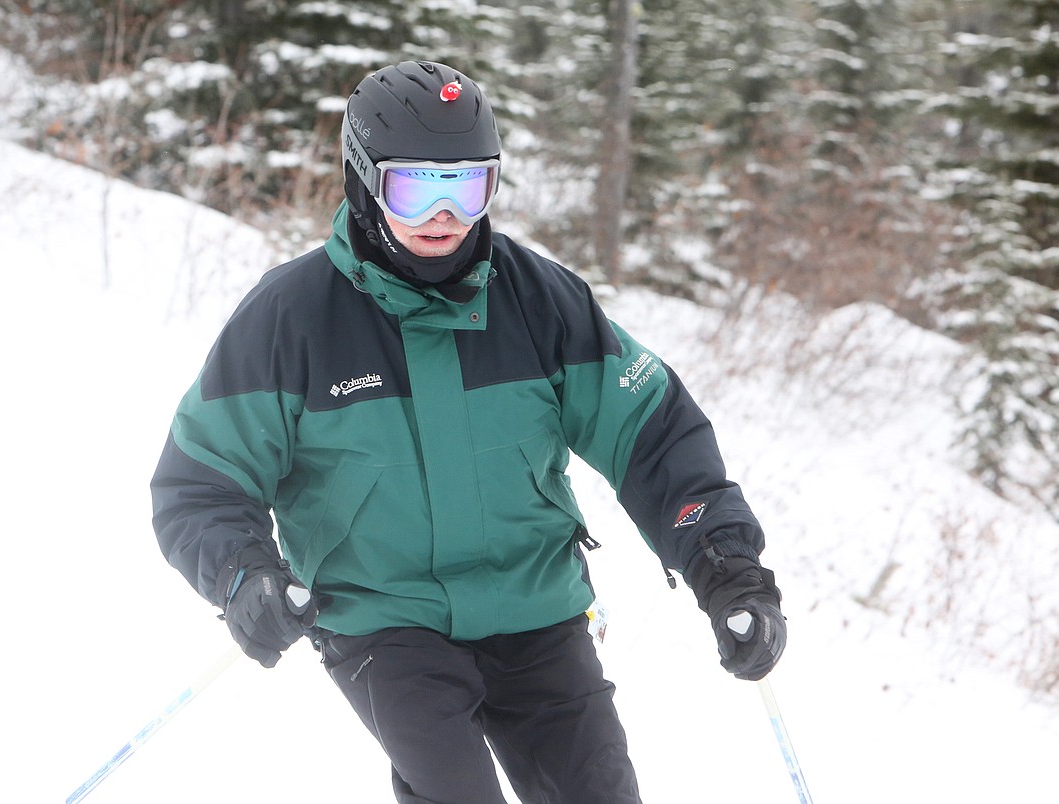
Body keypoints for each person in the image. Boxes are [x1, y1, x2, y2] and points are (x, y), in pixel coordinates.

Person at [150, 60, 786, 804]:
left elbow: (652, 433)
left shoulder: (540, 301)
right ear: (364, 179)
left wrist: (724, 562)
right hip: (385, 623)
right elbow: (200, 483)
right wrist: (241, 573)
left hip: (537, 611)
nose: (444, 215)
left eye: (468, 186)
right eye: (416, 188)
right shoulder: (292, 319)